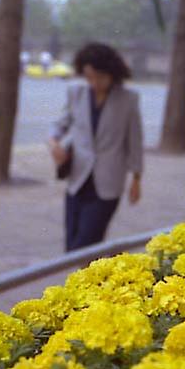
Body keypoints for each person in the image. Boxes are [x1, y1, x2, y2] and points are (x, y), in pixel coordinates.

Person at [49, 42, 143, 251]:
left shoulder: (128, 99)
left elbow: (134, 141)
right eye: (88, 76)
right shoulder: (76, 93)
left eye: (99, 77)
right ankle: (88, 282)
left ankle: (89, 281)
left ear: (112, 73)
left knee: (86, 244)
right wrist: (54, 144)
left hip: (108, 183)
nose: (94, 83)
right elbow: (60, 125)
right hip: (78, 180)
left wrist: (136, 178)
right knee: (71, 244)